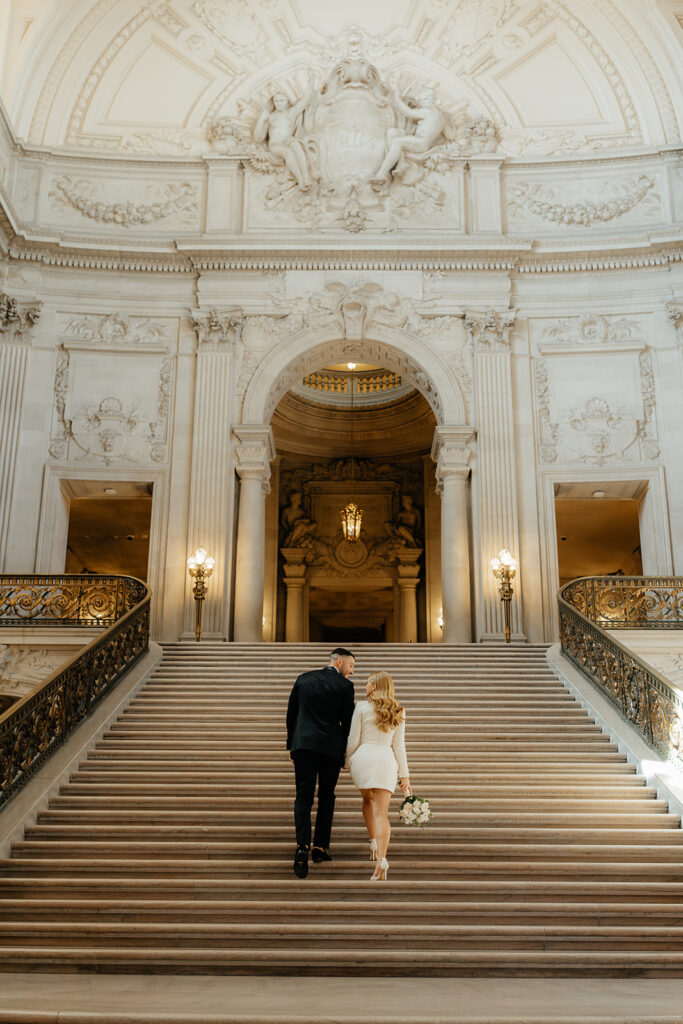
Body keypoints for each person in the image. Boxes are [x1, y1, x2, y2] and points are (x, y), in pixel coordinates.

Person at [286, 647, 356, 878]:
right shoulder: (345, 687)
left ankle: (301, 847)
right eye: (351, 666)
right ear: (338, 662)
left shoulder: (303, 679)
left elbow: (292, 714)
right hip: (330, 748)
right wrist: (345, 753)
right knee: (327, 795)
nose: (352, 672)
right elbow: (347, 723)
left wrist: (291, 744)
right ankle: (320, 847)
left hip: (303, 745)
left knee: (303, 796)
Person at [345, 671, 410, 881]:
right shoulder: (398, 710)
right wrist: (405, 776)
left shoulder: (362, 707)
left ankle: (373, 840)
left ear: (374, 686)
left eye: (367, 683)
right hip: (386, 761)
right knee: (382, 813)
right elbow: (399, 747)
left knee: (367, 799)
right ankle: (382, 860)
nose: (365, 686)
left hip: (363, 759)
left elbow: (353, 739)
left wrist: (346, 761)